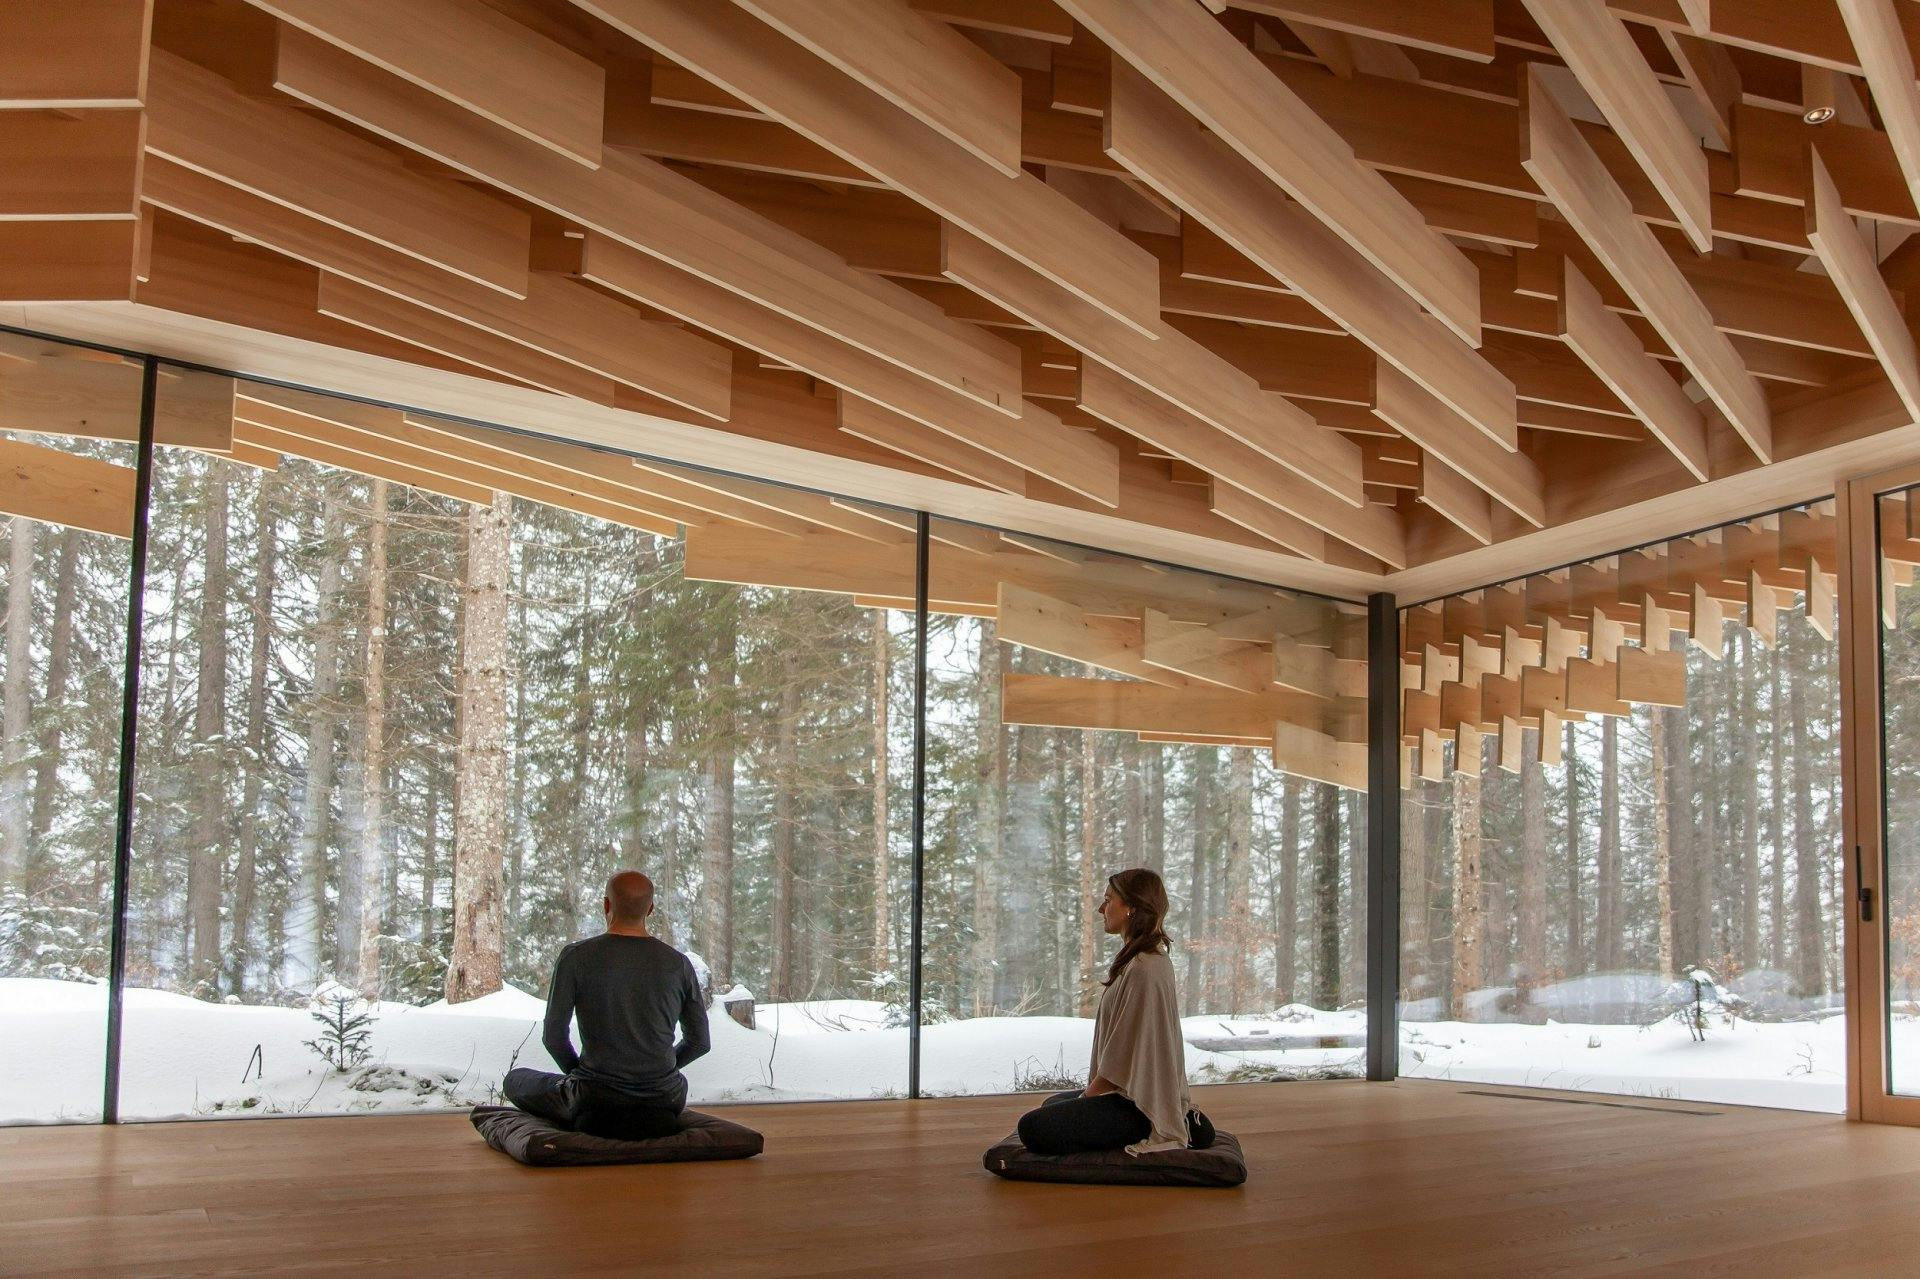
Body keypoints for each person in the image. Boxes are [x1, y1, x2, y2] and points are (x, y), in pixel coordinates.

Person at [1015, 868, 1214, 1157]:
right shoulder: (1138, 960)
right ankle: (1185, 1123)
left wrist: (1086, 1098)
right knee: (1052, 1104)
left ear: (1131, 907)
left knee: (1032, 1127)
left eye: (1108, 900)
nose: (1101, 908)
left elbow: (1121, 1058)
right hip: (1128, 1092)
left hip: (1140, 1104)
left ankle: (1168, 1123)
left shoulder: (1146, 968)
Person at [502, 870, 711, 1141]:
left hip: (594, 1099)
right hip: (665, 1099)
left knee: (515, 1080)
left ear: (606, 905)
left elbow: (553, 1036)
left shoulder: (575, 957)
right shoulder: (678, 963)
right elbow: (699, 1043)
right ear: (650, 909)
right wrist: (660, 1073)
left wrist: (580, 1076)